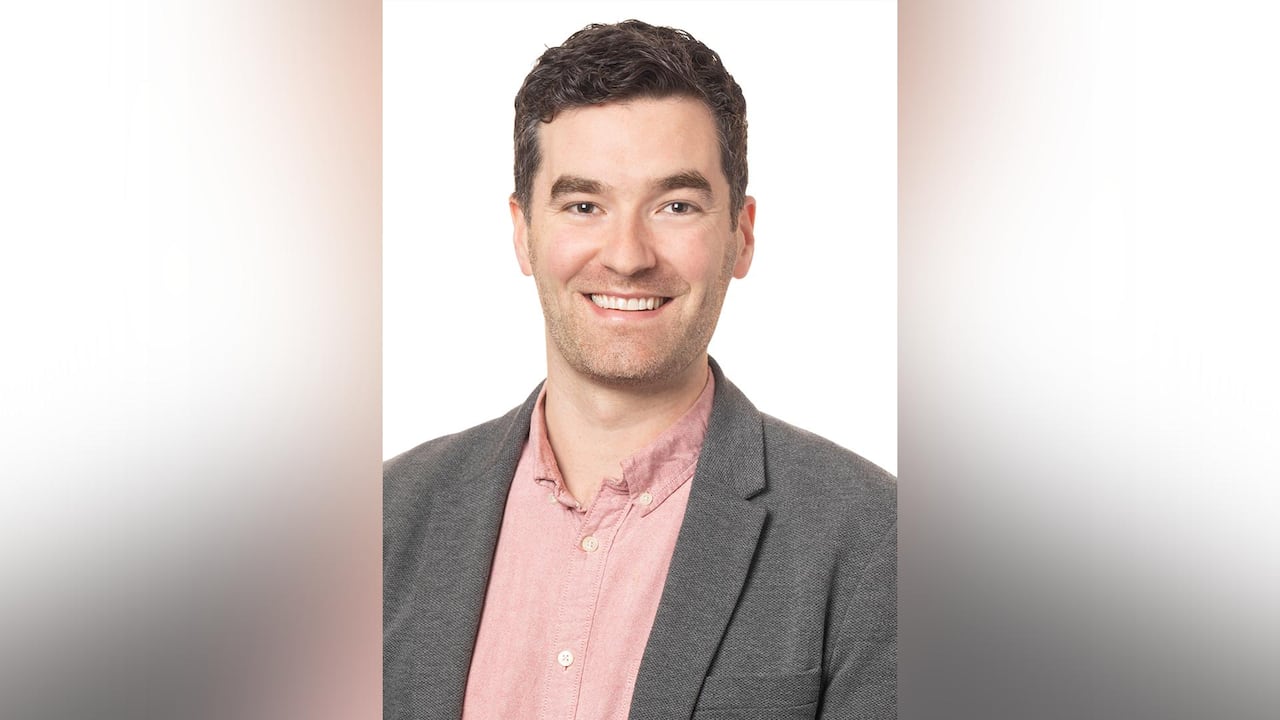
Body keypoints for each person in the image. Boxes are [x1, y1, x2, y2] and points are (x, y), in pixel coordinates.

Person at [384, 20, 896, 719]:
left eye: (675, 205)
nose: (627, 256)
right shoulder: (384, 522)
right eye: (584, 205)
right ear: (522, 230)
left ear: (741, 235)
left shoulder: (872, 540)